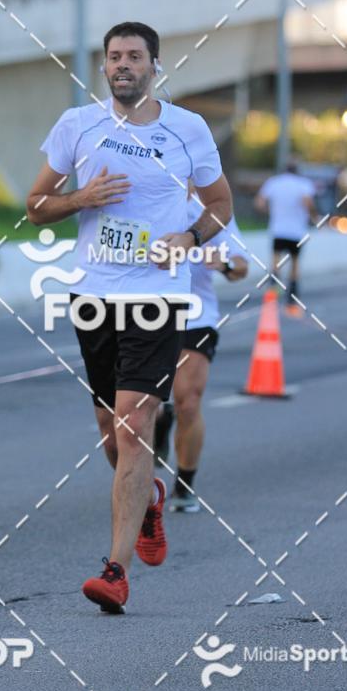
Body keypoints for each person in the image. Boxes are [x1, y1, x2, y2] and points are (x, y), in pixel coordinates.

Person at [26, 21, 233, 613]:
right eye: (114, 56)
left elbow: (220, 204)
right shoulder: (77, 125)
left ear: (154, 66)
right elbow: (35, 206)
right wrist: (79, 200)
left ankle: (115, 572)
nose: (123, 65)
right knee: (109, 430)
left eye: (134, 56)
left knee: (133, 424)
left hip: (157, 298)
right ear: (104, 67)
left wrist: (189, 237)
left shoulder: (187, 129)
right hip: (93, 297)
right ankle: (149, 498)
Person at [154, 192, 249, 511]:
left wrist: (223, 263)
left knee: (188, 400)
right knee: (143, 402)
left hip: (196, 315)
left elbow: (241, 267)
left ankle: (184, 485)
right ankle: (159, 421)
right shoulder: (146, 197)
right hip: (146, 314)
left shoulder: (212, 210)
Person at [254, 159, 317, 316]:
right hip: (296, 231)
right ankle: (291, 298)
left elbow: (259, 203)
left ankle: (273, 292)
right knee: (295, 265)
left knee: (275, 261)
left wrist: (271, 212)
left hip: (278, 229)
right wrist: (313, 217)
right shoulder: (303, 184)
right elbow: (307, 202)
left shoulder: (274, 183)